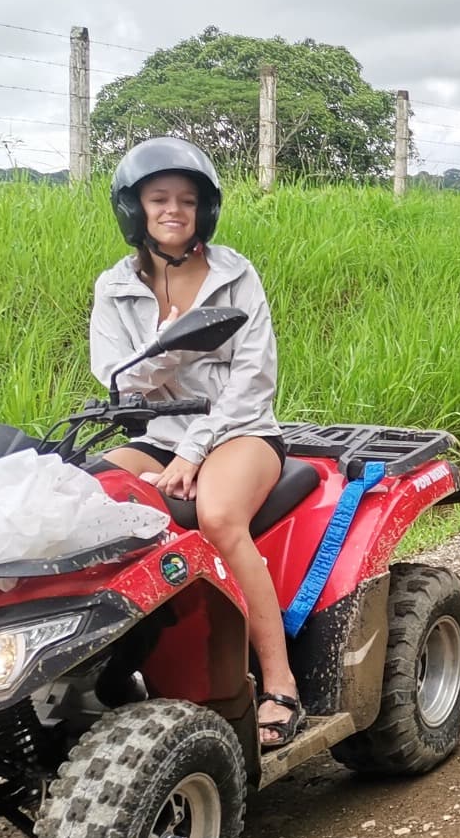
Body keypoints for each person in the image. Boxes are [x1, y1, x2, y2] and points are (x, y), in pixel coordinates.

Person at [89, 137, 303, 751]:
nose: (172, 210)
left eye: (186, 199)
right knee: (91, 502)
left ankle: (278, 682)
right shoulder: (114, 287)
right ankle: (108, 672)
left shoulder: (237, 276)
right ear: (136, 209)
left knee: (218, 516)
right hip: (156, 431)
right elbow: (117, 381)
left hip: (241, 431)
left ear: (204, 209)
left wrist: (196, 451)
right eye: (158, 199)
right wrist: (176, 344)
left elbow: (253, 378)